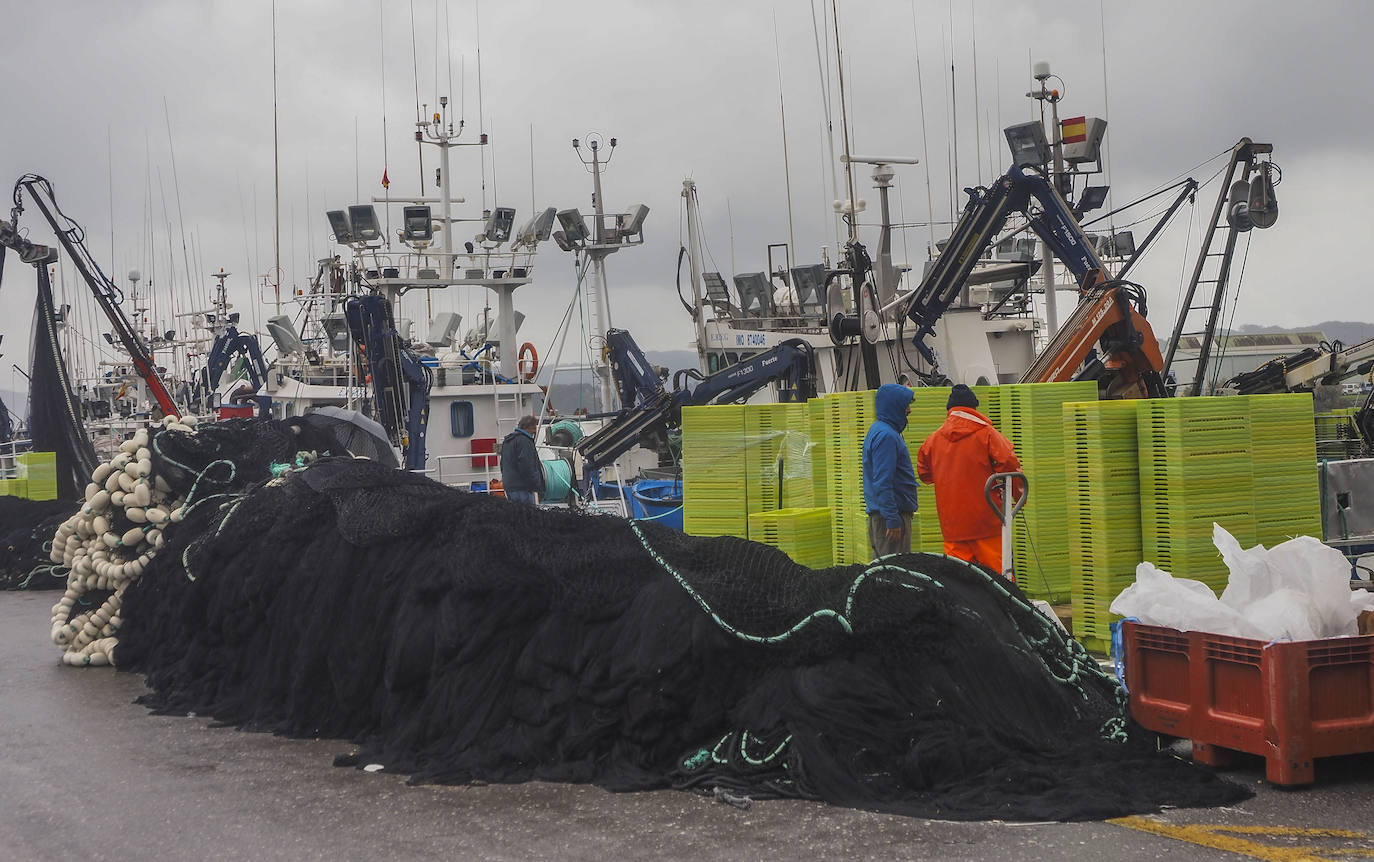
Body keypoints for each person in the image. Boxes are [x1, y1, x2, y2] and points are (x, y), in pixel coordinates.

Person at [917, 384, 1022, 575]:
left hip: (952, 527)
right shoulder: (988, 435)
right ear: (973, 408)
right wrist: (1018, 495)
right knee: (999, 579)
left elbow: (924, 474)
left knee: (960, 584)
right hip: (987, 523)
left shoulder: (933, 440)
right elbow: (1009, 464)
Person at [862, 383, 920, 558]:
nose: (909, 410)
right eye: (905, 405)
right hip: (890, 519)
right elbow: (883, 481)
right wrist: (892, 519)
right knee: (893, 574)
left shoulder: (881, 431)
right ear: (895, 406)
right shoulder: (886, 436)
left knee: (883, 573)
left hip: (885, 516)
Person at [500, 415, 545, 505]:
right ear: (529, 427)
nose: (535, 432)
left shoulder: (508, 440)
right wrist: (535, 485)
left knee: (515, 516)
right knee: (527, 517)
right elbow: (526, 465)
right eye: (534, 428)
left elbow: (502, 464)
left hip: (510, 486)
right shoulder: (524, 441)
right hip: (522, 488)